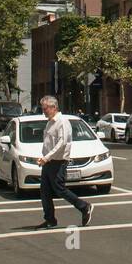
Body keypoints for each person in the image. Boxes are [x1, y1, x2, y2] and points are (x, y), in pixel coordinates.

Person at [33, 95, 93, 230]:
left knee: (59, 189)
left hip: (58, 162)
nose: (44, 111)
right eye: (43, 108)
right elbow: (49, 143)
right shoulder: (50, 122)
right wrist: (44, 157)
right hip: (48, 162)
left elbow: (62, 143)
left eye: (45, 108)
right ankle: (50, 220)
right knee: (45, 191)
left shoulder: (62, 121)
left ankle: (84, 206)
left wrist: (46, 157)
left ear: (54, 107)